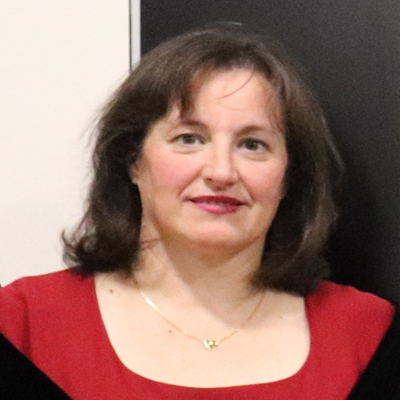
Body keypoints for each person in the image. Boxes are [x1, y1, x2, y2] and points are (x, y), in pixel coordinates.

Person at [0, 23, 399, 400]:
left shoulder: (368, 336)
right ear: (132, 161)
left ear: (288, 177)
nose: (221, 172)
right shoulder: (23, 326)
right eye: (189, 138)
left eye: (253, 145)